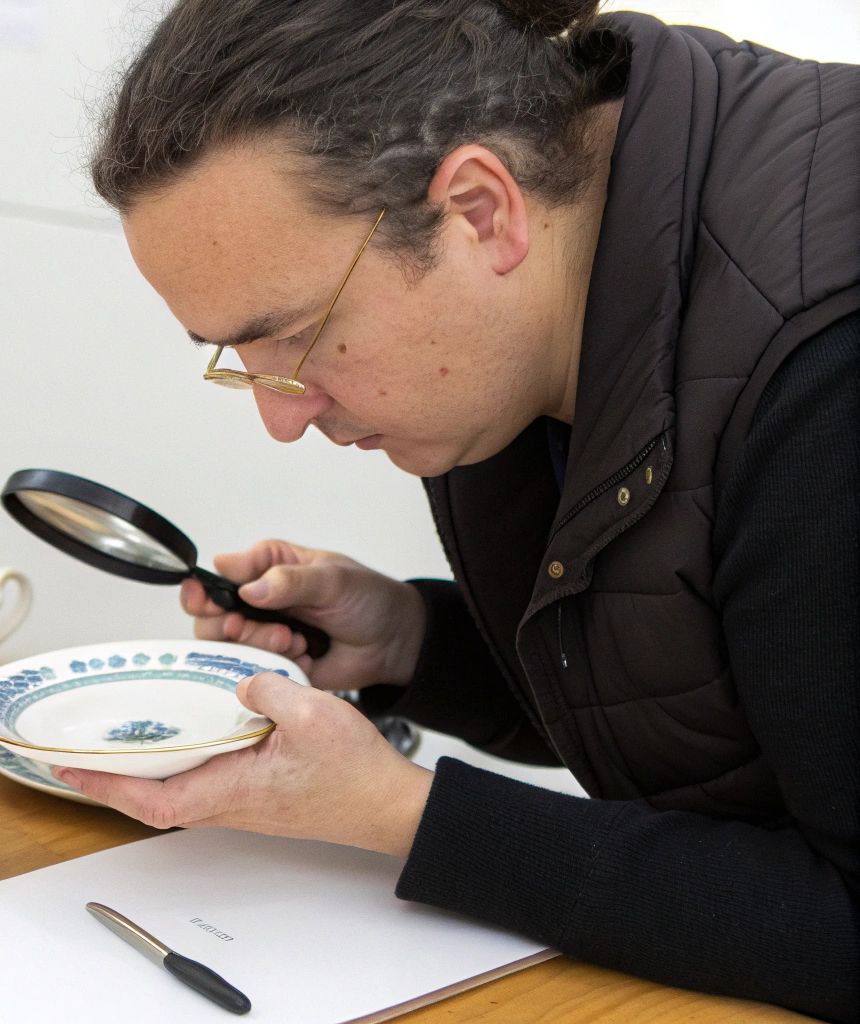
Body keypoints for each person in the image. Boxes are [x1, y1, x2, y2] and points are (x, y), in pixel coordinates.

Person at [54, 1, 860, 1019]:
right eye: (235, 360)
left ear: (480, 209)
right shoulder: (540, 296)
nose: (279, 419)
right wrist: (412, 641)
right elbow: (729, 715)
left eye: (296, 340)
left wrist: (403, 814)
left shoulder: (820, 373)